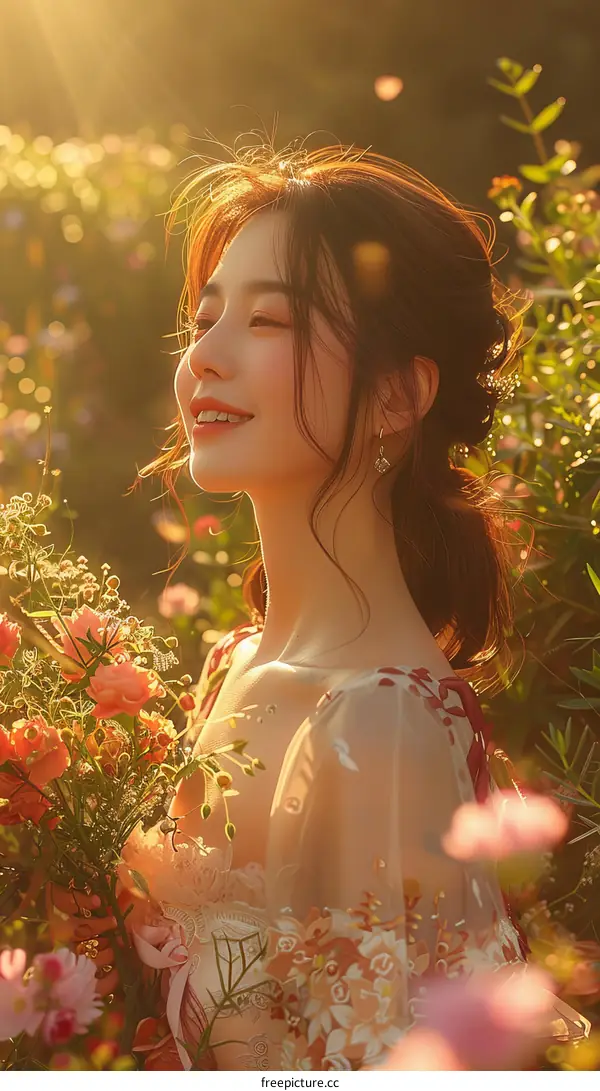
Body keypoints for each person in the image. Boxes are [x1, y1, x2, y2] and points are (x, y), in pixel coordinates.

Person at [59, 141, 589, 1069]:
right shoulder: (234, 663)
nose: (206, 360)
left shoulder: (376, 726)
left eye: (268, 321)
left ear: (395, 394)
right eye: (204, 317)